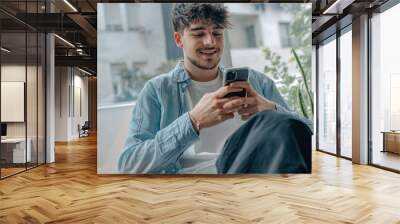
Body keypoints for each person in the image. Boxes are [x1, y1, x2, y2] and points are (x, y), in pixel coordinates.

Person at [118, 3, 312, 174]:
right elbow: (129, 164)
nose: (210, 42)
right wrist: (192, 122)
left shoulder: (258, 82)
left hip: (252, 177)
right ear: (179, 40)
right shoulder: (157, 90)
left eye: (217, 33)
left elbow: (307, 135)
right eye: (199, 33)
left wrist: (271, 109)